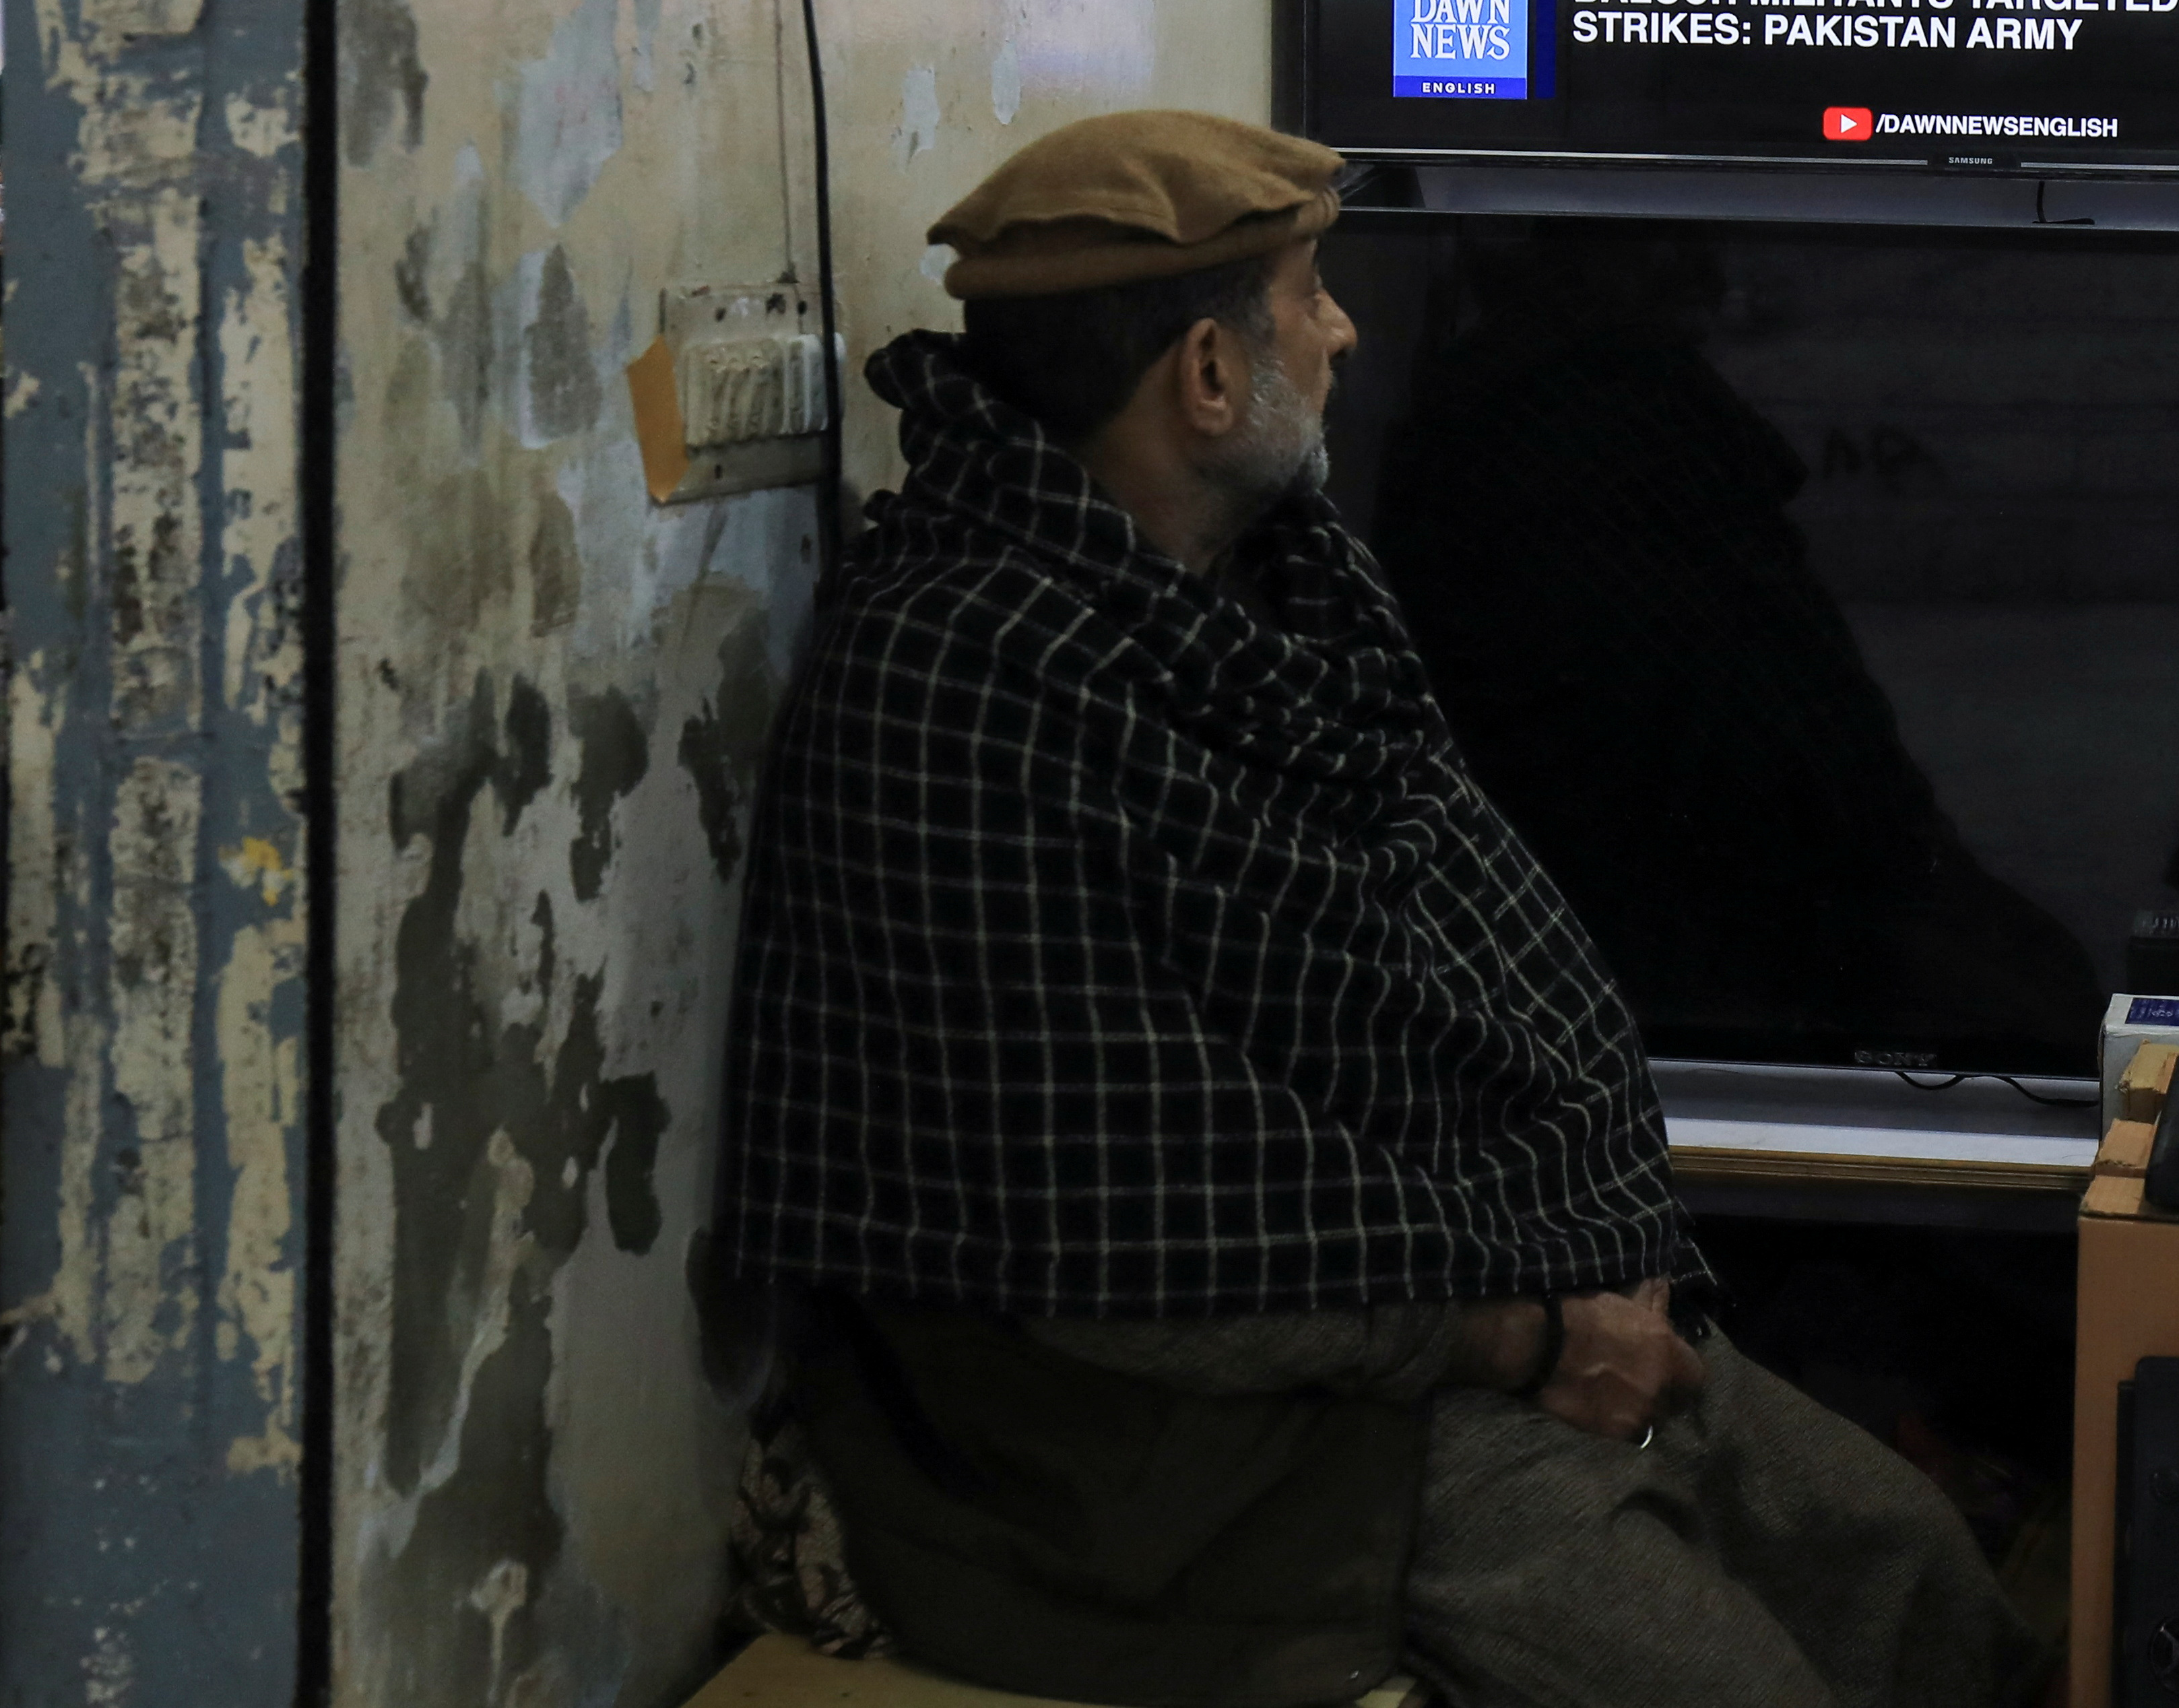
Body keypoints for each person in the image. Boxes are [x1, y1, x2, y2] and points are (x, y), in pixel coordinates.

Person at [717, 110, 2035, 1708]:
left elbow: (1470, 978)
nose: (1344, 328)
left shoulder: (1280, 592)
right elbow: (1117, 1253)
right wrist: (1533, 1337)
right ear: (1206, 375)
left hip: (1445, 1293)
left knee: (1913, 1569)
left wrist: (1578, 1276)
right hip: (1205, 1431)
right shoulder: (955, 688)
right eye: (1305, 292)